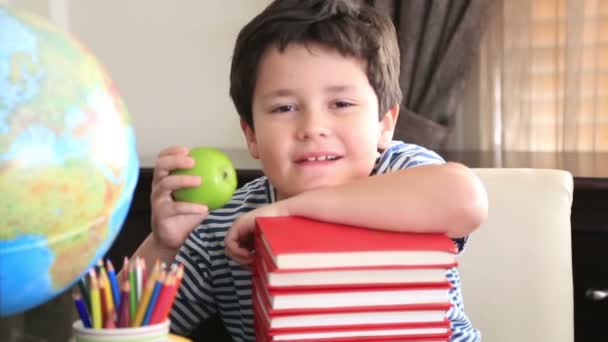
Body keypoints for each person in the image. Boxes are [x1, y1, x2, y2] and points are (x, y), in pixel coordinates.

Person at [128, 1, 488, 341]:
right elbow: (127, 326)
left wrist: (286, 211)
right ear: (251, 134)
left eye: (341, 104)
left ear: (384, 124)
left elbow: (467, 199)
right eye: (284, 107)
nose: (313, 127)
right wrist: (163, 245)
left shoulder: (401, 173)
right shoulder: (222, 226)